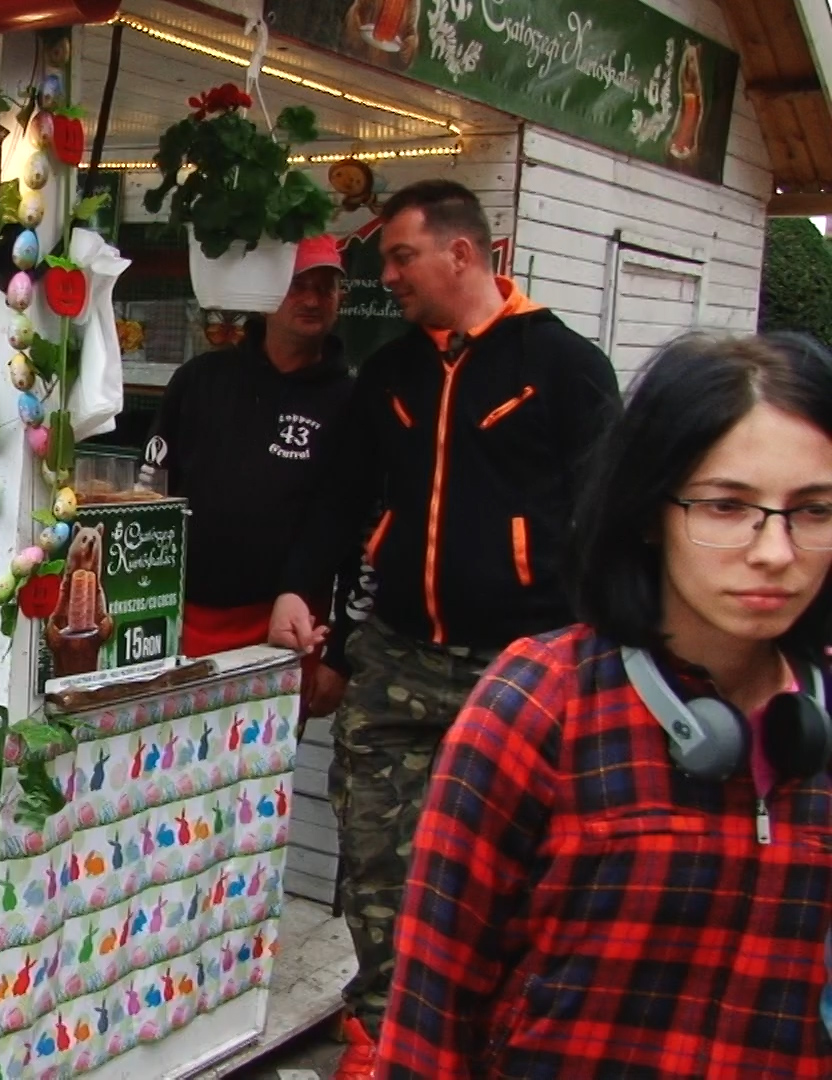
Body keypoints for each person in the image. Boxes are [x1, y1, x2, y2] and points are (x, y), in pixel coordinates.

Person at [379, 333, 832, 1075]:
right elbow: (430, 1016)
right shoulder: (539, 706)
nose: (775, 552)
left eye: (813, 511)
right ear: (649, 509)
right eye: (726, 506)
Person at [266, 179, 620, 1077]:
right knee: (377, 853)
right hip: (399, 656)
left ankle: (497, 1046)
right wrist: (301, 592)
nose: (387, 277)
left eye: (401, 257)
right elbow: (342, 498)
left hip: (526, 668)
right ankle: (386, 1039)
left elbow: (612, 521)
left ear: (461, 253)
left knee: (520, 871)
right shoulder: (391, 373)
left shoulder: (565, 365)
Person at [146, 233, 356, 717]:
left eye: (325, 287)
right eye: (297, 285)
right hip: (180, 618)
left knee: (258, 765)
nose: (312, 300)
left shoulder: (350, 402)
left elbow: (348, 524)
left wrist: (340, 655)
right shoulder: (201, 379)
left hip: (283, 624)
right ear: (265, 290)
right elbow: (151, 488)